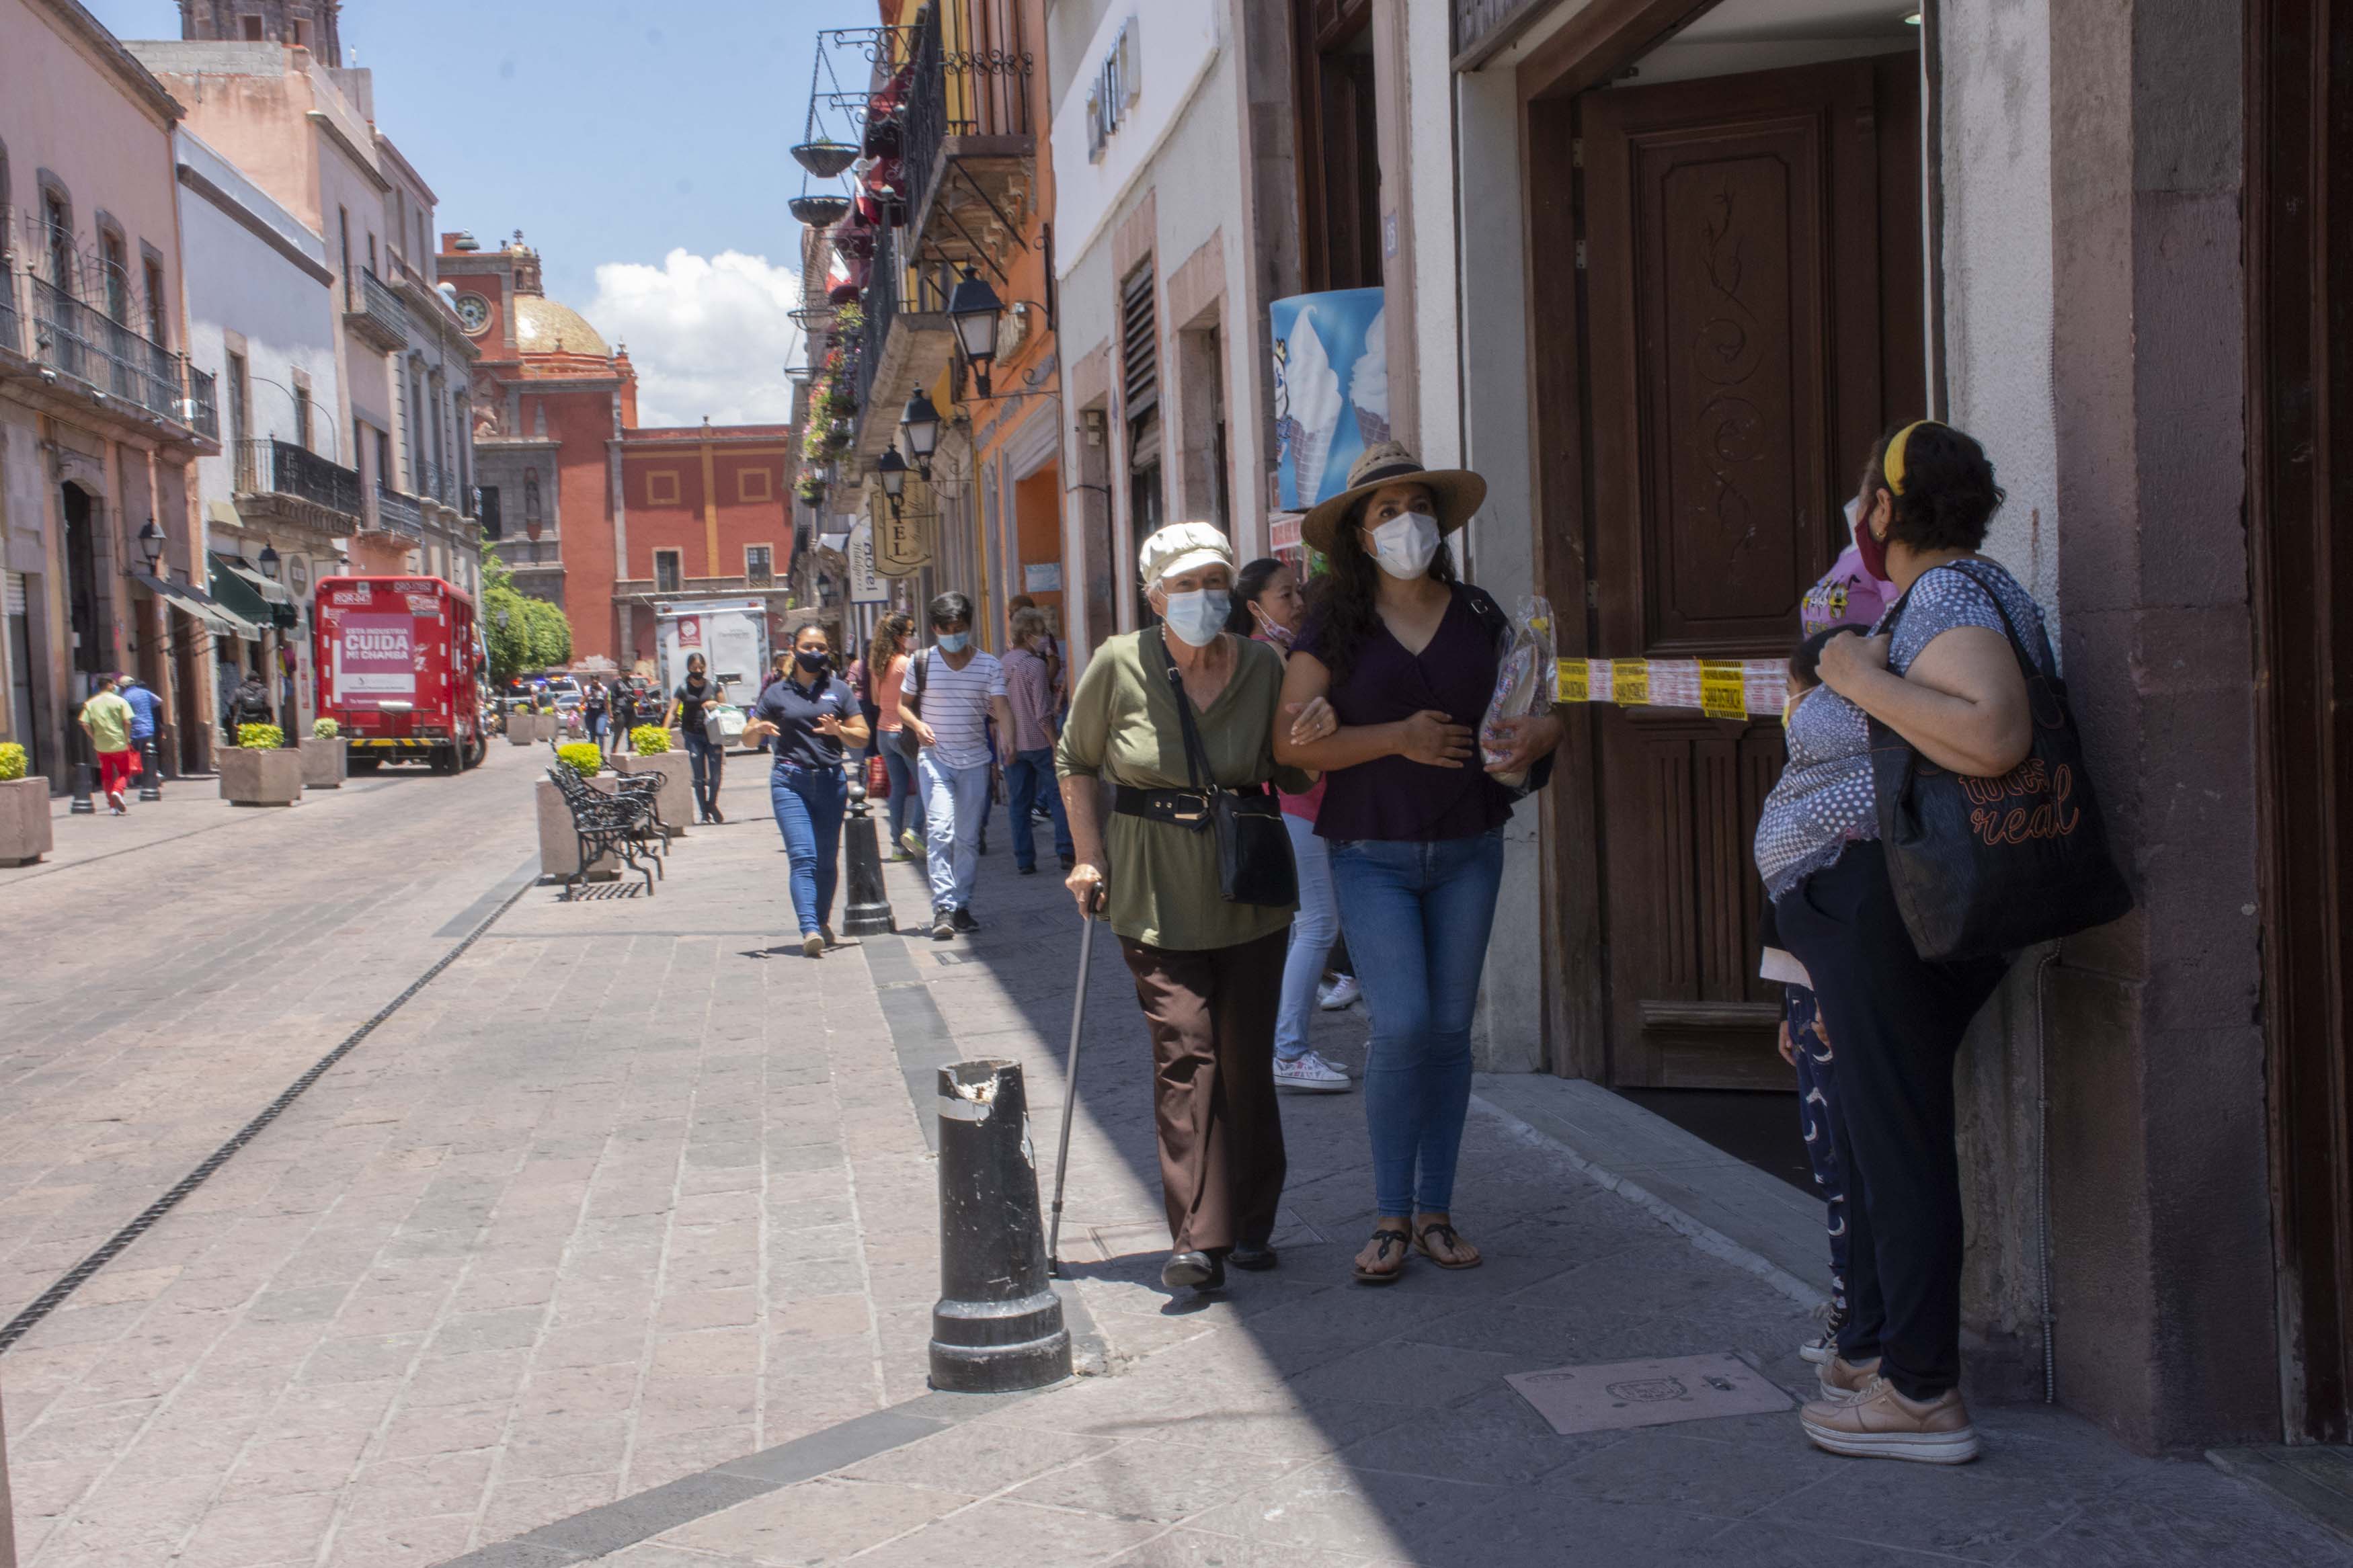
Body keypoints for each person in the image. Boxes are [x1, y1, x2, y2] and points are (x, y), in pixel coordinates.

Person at [1755, 420, 2042, 1465]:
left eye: (1866, 503)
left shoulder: (1952, 596)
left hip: (1887, 908)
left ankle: (1921, 1393)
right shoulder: (1958, 599)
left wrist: (1848, 671)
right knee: (1890, 1131)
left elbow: (1993, 731)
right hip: (1877, 917)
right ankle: (1876, 1354)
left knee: (1900, 1142)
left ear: (1887, 510)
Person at [1274, 442, 1564, 1286]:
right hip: (1370, 854)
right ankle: (1388, 1214)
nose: (1407, 522)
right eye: (1386, 510)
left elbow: (1538, 709)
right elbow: (1288, 745)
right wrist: (1394, 738)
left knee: (1447, 1031)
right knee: (1400, 1026)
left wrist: (1538, 732)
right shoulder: (1332, 623)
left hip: (1470, 844)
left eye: (1417, 505)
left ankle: (1435, 1209)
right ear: (1361, 537)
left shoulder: (1480, 613)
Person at [1058, 522, 1310, 1292]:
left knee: (1243, 1063)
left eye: (1213, 582)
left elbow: (1288, 773)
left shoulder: (1263, 664)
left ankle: (1253, 1218)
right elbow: (1075, 758)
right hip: (1150, 887)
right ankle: (1198, 1238)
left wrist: (1308, 737)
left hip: (1247, 889)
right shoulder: (1119, 663)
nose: (1201, 597)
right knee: (1184, 1053)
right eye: (1184, 584)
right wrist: (1086, 854)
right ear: (1153, 592)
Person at [1760, 626, 1850, 1365]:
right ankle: (1851, 1310)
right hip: (1813, 997)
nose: (1791, 710)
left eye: (1796, 696)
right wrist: (1788, 998)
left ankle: (1855, 1320)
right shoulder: (1810, 785)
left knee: (1845, 1164)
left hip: (1839, 998)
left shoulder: (1841, 792)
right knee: (1835, 1158)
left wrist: (1809, 996)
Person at [1230, 558, 1351, 1094]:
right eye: (1285, 595)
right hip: (1294, 806)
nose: (1298, 602)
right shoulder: (1265, 658)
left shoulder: (1286, 653)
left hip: (1312, 805)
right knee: (1318, 925)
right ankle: (1289, 1051)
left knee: (1315, 924)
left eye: (1299, 591)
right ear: (1256, 607)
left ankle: (1287, 1047)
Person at [743, 619, 870, 958]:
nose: (814, 653)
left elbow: (863, 735)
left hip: (831, 781)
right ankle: (810, 928)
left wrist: (839, 730)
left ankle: (823, 921)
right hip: (789, 781)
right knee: (803, 857)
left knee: (827, 860)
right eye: (808, 647)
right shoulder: (776, 693)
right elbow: (747, 733)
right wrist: (759, 730)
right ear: (793, 651)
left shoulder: (839, 690)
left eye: (821, 648)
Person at [900, 592, 1013, 940]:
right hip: (935, 760)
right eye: (947, 629)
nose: (954, 635)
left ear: (969, 627)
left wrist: (1009, 742)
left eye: (960, 628)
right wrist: (918, 726)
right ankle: (943, 907)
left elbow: (1002, 708)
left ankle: (962, 905)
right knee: (940, 831)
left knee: (966, 839)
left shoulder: (989, 665)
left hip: (976, 761)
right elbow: (901, 707)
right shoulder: (921, 662)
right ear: (935, 629)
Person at [1002, 606, 1075, 877]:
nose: (1045, 638)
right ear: (1029, 634)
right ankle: (1066, 850)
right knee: (1057, 796)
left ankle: (1024, 859)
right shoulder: (1036, 666)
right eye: (1042, 632)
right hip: (1038, 743)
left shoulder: (1003, 664)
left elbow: (993, 708)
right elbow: (1043, 714)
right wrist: (1056, 743)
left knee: (1018, 803)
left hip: (1011, 744)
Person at [867, 613, 926, 859]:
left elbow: (875, 700)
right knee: (926, 785)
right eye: (910, 633)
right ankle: (913, 831)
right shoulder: (906, 664)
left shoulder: (878, 665)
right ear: (899, 637)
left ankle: (895, 845)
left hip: (883, 731)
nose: (913, 637)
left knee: (898, 789)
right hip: (905, 732)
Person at [667, 653, 727, 824]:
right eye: (694, 668)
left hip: (714, 735)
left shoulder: (714, 687)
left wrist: (715, 704)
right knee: (699, 777)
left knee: (716, 776)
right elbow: (672, 711)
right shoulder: (683, 689)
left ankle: (712, 804)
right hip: (692, 735)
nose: (698, 671)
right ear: (688, 669)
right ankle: (704, 813)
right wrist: (663, 732)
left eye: (701, 668)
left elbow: (726, 707)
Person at [79, 673, 138, 815]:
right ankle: (118, 792)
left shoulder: (91, 703)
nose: (115, 686)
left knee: (107, 775)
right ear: (110, 685)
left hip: (101, 745)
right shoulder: (120, 701)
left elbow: (84, 723)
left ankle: (112, 807)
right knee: (124, 772)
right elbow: (128, 721)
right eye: (114, 684)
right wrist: (127, 738)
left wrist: (93, 736)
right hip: (119, 743)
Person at [119, 673, 165, 789]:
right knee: (149, 754)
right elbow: (159, 701)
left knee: (136, 756)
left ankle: (140, 780)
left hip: (135, 731)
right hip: (149, 729)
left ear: (124, 687)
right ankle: (153, 776)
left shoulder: (126, 697)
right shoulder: (145, 693)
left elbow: (123, 714)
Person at [584, 679, 610, 752]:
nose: (595, 684)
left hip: (601, 713)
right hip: (590, 714)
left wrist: (610, 715)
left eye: (596, 682)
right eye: (593, 682)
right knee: (592, 735)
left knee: (600, 732)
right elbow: (581, 702)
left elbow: (607, 702)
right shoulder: (587, 689)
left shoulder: (604, 689)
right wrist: (588, 695)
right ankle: (594, 753)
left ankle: (601, 752)